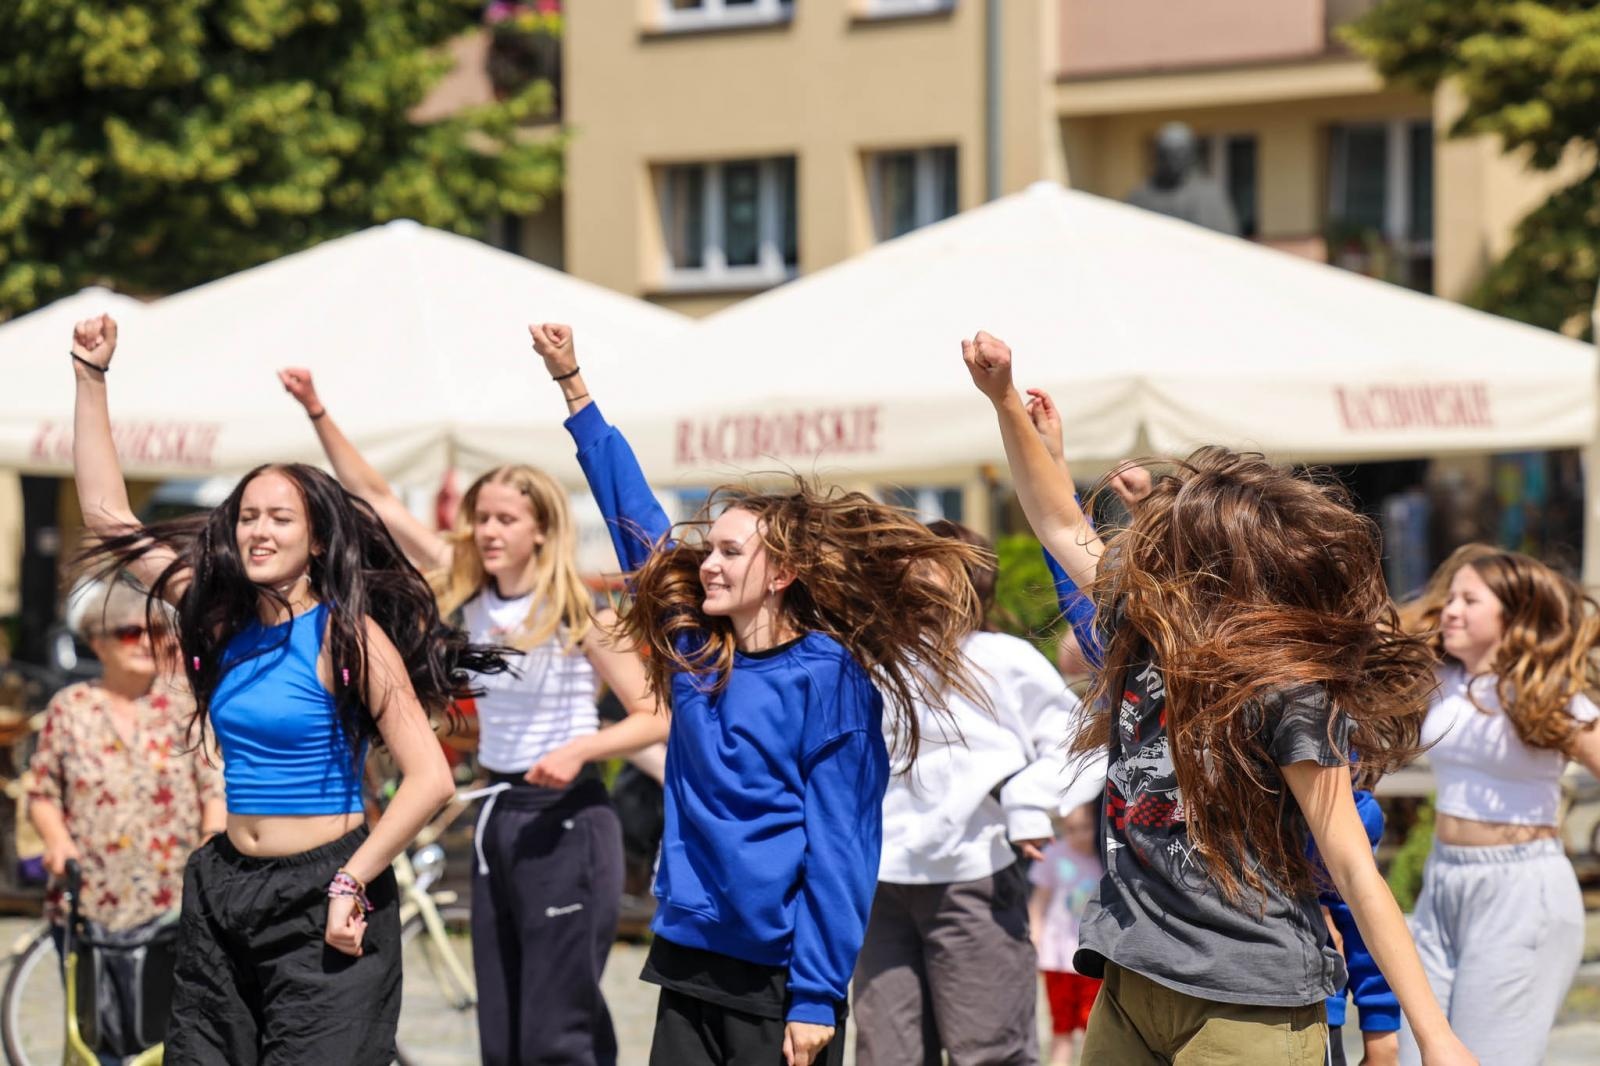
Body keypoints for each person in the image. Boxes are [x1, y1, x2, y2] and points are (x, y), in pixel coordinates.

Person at [962, 330, 1476, 1066]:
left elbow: (1356, 869)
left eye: (1171, 531)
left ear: (1214, 565)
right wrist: (1004, 400)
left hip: (1250, 1001)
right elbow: (1056, 520)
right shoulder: (1144, 627)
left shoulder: (1291, 692)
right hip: (1133, 981)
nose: (1146, 539)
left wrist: (1435, 1034)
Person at [529, 320, 985, 1066]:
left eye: (729, 552)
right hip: (687, 948)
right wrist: (573, 386)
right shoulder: (697, 648)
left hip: (778, 978)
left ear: (781, 575)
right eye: (710, 548)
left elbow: (843, 844)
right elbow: (634, 520)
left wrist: (814, 994)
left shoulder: (830, 679)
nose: (707, 563)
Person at [66, 314, 500, 1066]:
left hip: (324, 890)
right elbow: (110, 518)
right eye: (246, 518)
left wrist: (352, 881)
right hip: (224, 888)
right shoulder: (219, 615)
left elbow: (428, 777)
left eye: (279, 519)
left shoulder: (349, 635)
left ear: (319, 539)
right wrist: (90, 377)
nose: (257, 531)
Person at [278, 367, 667, 1066]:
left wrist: (582, 750)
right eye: (482, 517)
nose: (488, 531)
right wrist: (317, 411)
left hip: (570, 820)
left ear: (542, 531)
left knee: (557, 1031)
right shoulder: (469, 589)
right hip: (500, 813)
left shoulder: (578, 612)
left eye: (505, 519)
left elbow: (655, 713)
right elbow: (376, 501)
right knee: (506, 1028)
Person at [853, 519, 1102, 1066]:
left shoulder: (1000, 658)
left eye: (930, 560)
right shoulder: (875, 661)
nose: (912, 571)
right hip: (881, 881)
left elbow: (1081, 741)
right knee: (885, 1053)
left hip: (976, 877)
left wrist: (1028, 802)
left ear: (970, 577)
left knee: (989, 1049)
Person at [1397, 545, 1600, 1066]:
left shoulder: (1545, 692)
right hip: (1443, 882)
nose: (1450, 610)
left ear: (1512, 614)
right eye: (1450, 597)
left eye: (1469, 599)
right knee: (1418, 1052)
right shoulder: (1442, 681)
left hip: (1522, 891)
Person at [27, 579, 226, 1062]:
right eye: (131, 632)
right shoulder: (71, 709)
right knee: (102, 1037)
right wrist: (57, 842)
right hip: (88, 904)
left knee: (167, 1037)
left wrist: (208, 852)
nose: (148, 643)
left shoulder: (185, 708)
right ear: (98, 642)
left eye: (159, 632)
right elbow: (42, 793)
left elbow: (215, 789)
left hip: (171, 907)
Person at [1028, 801, 1103, 1066]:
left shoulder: (1104, 856)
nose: (1080, 835)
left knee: (1092, 1028)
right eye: (1071, 829)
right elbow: (1039, 900)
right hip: (1056, 959)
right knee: (1060, 1027)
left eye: (1085, 827)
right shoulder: (1054, 855)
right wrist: (1034, 937)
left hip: (1092, 960)